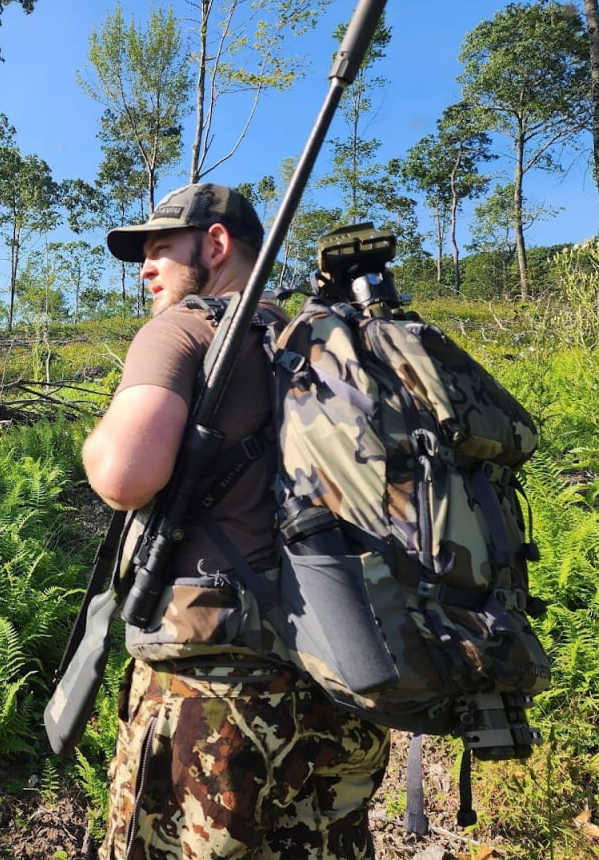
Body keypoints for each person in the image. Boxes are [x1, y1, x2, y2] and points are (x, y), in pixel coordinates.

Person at [82, 182, 390, 860]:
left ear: (215, 245)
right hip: (336, 678)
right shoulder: (323, 347)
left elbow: (122, 475)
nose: (146, 270)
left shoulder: (184, 328)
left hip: (211, 695)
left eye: (161, 250)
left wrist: (94, 438)